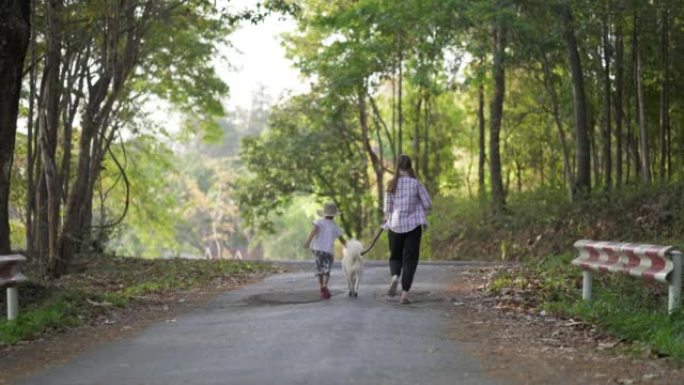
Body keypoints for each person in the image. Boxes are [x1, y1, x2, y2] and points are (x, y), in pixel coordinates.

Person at [383, 154, 432, 304]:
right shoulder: (416, 184)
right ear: (410, 166)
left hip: (395, 225)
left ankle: (395, 276)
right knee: (410, 260)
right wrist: (421, 210)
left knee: (395, 256)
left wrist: (387, 218)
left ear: (397, 167)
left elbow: (387, 208)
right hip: (413, 226)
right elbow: (428, 204)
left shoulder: (391, 184)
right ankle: (405, 294)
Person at [304, 202, 346, 299]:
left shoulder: (319, 222)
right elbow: (342, 240)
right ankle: (325, 285)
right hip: (328, 251)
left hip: (317, 249)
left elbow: (313, 231)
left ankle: (320, 287)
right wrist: (349, 246)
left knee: (320, 269)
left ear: (324, 214)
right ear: (334, 216)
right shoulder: (335, 227)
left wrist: (307, 242)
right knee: (327, 270)